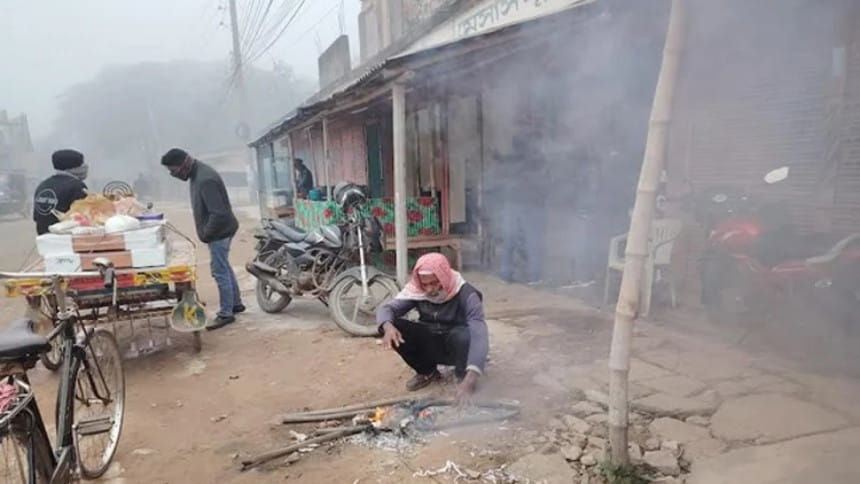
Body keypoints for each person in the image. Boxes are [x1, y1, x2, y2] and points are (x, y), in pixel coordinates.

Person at [376, 253, 489, 403]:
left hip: (457, 346)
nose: (429, 289)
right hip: (431, 342)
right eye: (425, 284)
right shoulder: (417, 291)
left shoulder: (467, 294)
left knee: (464, 334)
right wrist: (388, 326)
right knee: (392, 325)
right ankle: (427, 372)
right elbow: (387, 309)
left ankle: (463, 379)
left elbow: (479, 334)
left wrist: (471, 378)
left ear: (444, 277)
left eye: (434, 283)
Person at [160, 148, 244, 330]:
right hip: (221, 230)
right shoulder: (197, 175)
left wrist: (206, 233)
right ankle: (236, 304)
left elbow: (218, 213)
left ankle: (226, 313)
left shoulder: (205, 179)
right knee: (224, 266)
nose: (173, 175)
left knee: (219, 270)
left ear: (184, 164)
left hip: (220, 232)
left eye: (173, 170)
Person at [494, 134, 547, 284]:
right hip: (525, 205)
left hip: (521, 204)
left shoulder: (524, 161)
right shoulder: (531, 161)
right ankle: (531, 276)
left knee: (514, 240)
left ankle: (510, 274)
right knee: (526, 241)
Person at [32, 149, 89, 235]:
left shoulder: (43, 185)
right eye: (81, 164)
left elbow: (38, 216)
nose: (85, 166)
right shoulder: (77, 186)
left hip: (43, 236)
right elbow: (83, 216)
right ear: (74, 167)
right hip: (65, 237)